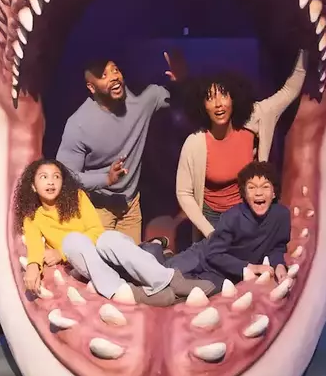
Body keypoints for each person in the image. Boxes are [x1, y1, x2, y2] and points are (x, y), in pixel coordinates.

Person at [13, 158, 216, 307]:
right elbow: (34, 242)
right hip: (85, 263)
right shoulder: (33, 216)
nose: (50, 182)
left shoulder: (77, 197)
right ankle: (128, 293)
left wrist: (60, 254)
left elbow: (95, 231)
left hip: (103, 253)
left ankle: (169, 280)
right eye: (44, 177)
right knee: (73, 240)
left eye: (56, 177)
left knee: (107, 237)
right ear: (33, 185)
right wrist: (33, 265)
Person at [176, 50, 307, 240]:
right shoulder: (195, 143)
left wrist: (306, 49)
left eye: (223, 95)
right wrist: (209, 232)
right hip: (211, 219)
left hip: (247, 212)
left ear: (234, 98)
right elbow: (184, 193)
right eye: (210, 98)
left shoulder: (256, 118)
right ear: (202, 105)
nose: (219, 104)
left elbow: (290, 90)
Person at [56, 53, 185, 245]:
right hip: (98, 209)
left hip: (131, 206)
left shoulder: (143, 101)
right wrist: (105, 179)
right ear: (91, 87)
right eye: (103, 75)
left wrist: (181, 82)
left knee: (131, 268)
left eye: (115, 70)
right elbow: (65, 175)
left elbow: (180, 98)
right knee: (102, 269)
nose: (114, 77)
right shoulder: (79, 124)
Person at [166, 161, 292, 291]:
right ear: (244, 194)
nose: (258, 193)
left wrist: (279, 265)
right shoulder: (232, 217)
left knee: (192, 292)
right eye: (252, 187)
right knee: (163, 276)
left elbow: (277, 247)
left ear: (274, 193)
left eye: (265, 187)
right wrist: (251, 267)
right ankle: (158, 249)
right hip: (201, 258)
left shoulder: (282, 215)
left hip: (222, 275)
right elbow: (213, 254)